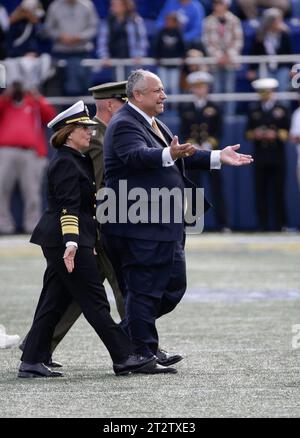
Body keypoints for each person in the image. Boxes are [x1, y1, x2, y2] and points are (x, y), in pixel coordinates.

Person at [101, 69, 253, 369]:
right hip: (138, 222)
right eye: (157, 90)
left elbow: (179, 153)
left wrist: (217, 156)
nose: (164, 95)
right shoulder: (123, 124)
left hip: (161, 221)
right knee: (144, 287)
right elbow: (137, 157)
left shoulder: (149, 121)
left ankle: (133, 339)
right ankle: (140, 352)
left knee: (171, 286)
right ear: (138, 95)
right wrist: (168, 154)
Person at [18, 100, 158, 378]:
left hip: (69, 239)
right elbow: (68, 207)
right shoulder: (66, 163)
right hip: (65, 239)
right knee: (95, 301)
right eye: (84, 128)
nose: (90, 132)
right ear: (69, 132)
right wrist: (72, 244)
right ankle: (124, 357)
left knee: (53, 301)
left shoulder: (75, 159)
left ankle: (32, 360)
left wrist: (86, 241)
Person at [0, 81, 56, 234]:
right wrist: (6, 94)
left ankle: (32, 226)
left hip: (30, 153)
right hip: (5, 151)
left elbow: (51, 117)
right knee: (1, 190)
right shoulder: (5, 102)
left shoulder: (33, 103)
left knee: (32, 191)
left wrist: (37, 96)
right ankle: (4, 226)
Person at [179, 71, 230, 231]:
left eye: (202, 87)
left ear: (207, 88)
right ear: (192, 89)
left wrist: (209, 144)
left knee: (217, 188)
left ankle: (223, 224)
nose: (199, 90)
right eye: (196, 87)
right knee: (193, 188)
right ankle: (192, 223)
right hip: (193, 153)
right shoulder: (186, 107)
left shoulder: (215, 107)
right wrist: (192, 145)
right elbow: (184, 131)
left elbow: (219, 130)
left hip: (212, 153)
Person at [246, 77, 290, 231]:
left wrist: (275, 134)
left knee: (278, 190)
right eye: (262, 92)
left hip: (277, 154)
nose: (265, 95)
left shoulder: (282, 109)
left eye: (267, 92)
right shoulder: (254, 109)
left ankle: (281, 224)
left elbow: (288, 131)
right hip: (260, 154)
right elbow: (248, 132)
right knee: (260, 191)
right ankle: (262, 225)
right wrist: (256, 134)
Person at [44, 0, 99, 95]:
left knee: (85, 87)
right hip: (61, 53)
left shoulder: (88, 5)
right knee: (62, 89)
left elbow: (94, 27)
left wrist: (80, 37)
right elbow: (48, 28)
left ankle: (86, 109)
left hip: (83, 52)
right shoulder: (54, 6)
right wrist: (60, 36)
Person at [202, 0, 244, 116]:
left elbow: (238, 41)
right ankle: (217, 117)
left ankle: (229, 116)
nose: (218, 6)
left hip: (230, 61)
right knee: (217, 89)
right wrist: (218, 56)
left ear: (226, 5)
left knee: (229, 89)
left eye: (220, 3)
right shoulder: (208, 21)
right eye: (216, 4)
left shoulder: (234, 20)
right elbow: (207, 42)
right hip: (215, 62)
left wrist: (229, 55)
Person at [97, 0, 148, 81]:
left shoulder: (135, 21)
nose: (112, 7)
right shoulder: (108, 21)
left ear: (124, 6)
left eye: (115, 5)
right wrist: (104, 56)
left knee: (131, 85)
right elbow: (102, 42)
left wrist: (139, 55)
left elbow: (142, 40)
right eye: (112, 5)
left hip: (131, 61)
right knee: (117, 87)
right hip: (113, 61)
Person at [247, 8, 293, 94]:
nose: (280, 23)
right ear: (270, 22)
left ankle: (282, 107)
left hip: (281, 66)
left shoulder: (285, 34)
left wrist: (292, 68)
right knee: (266, 86)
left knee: (283, 84)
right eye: (277, 20)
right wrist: (251, 69)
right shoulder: (259, 35)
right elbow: (254, 52)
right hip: (265, 66)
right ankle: (266, 107)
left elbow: (289, 52)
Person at [152, 12, 186, 97]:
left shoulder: (178, 33)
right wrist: (157, 57)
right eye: (166, 21)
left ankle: (174, 107)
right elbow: (157, 46)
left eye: (170, 21)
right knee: (164, 86)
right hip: (163, 64)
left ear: (175, 22)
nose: (167, 23)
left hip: (174, 65)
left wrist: (182, 57)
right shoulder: (161, 32)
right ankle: (164, 106)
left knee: (174, 86)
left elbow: (183, 47)